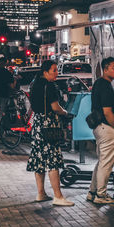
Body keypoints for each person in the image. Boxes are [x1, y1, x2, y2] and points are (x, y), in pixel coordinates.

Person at [26, 60, 74, 206]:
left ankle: (41, 193)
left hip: (38, 124)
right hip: (49, 125)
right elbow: (55, 107)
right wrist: (65, 112)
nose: (56, 73)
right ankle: (58, 196)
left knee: (39, 159)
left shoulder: (35, 84)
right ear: (45, 72)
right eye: (53, 70)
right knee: (53, 159)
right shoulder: (50, 86)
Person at [86, 57, 114, 204]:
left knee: (101, 162)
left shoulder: (99, 84)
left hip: (98, 128)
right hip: (107, 128)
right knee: (106, 165)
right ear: (105, 69)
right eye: (113, 67)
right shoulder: (105, 86)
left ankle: (93, 192)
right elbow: (108, 112)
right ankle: (101, 196)